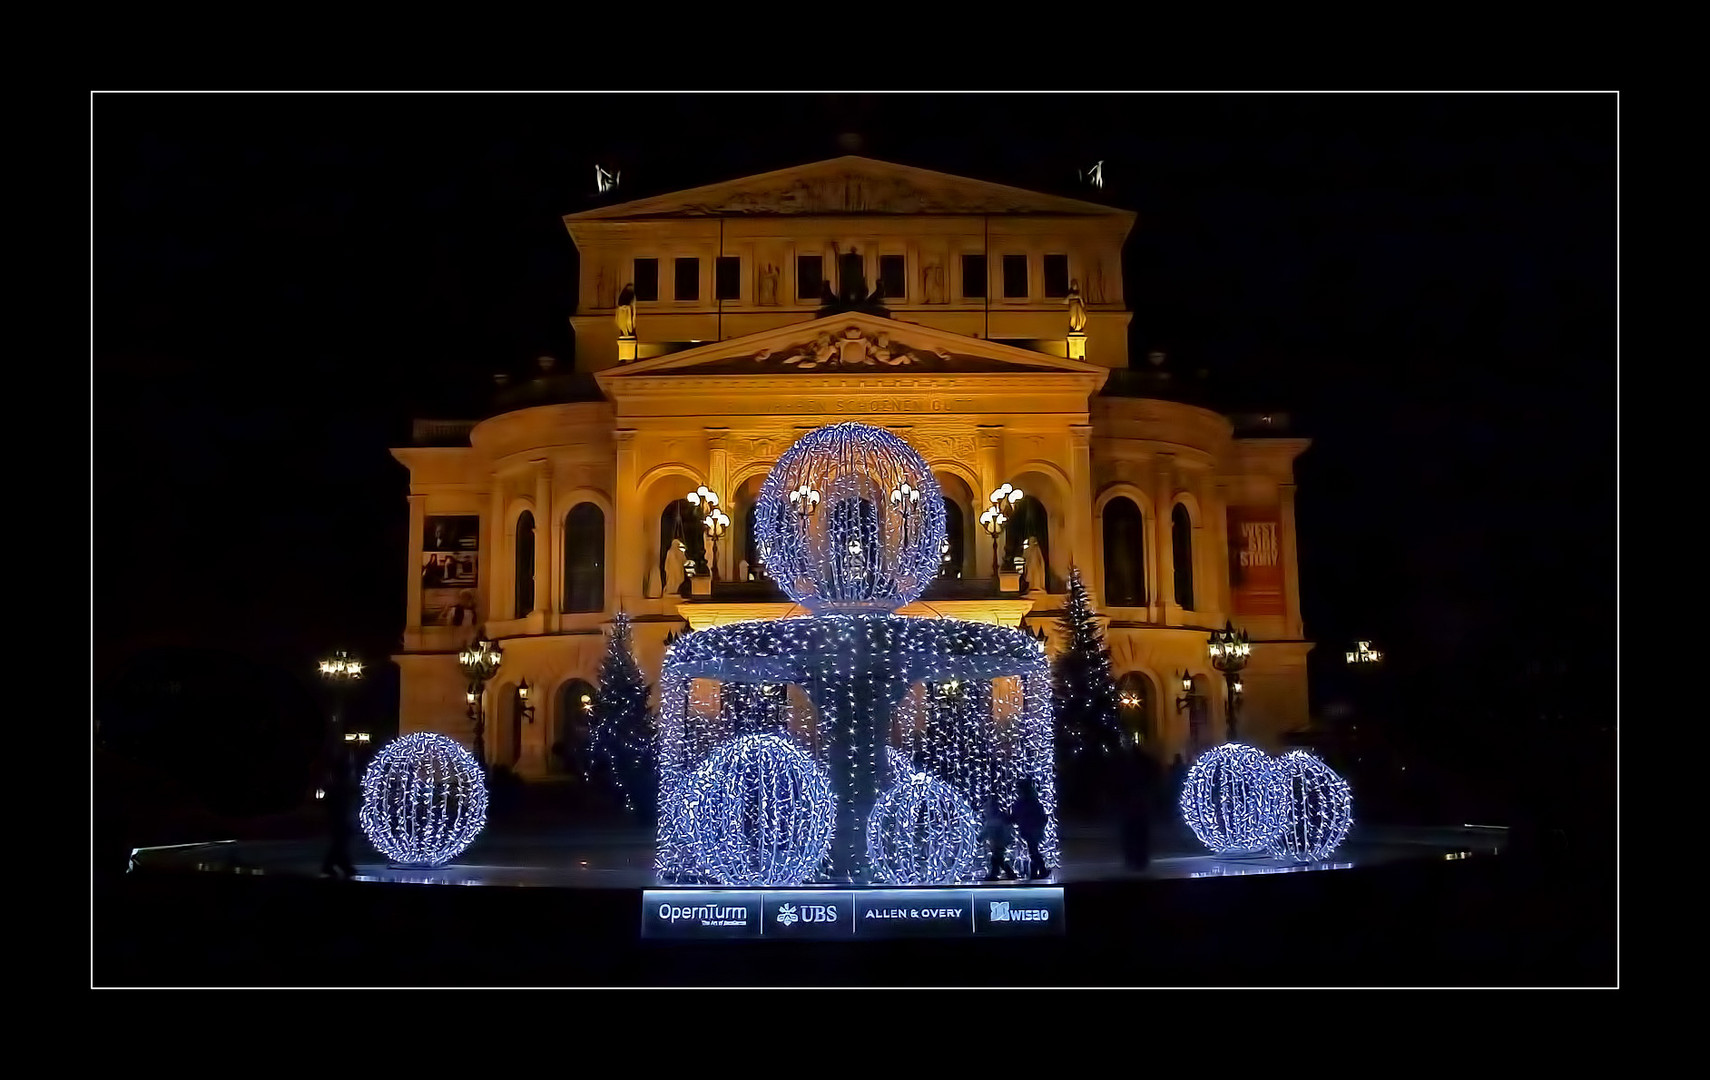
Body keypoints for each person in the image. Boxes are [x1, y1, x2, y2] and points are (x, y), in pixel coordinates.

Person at [1121, 745, 1159, 869]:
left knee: (1130, 831)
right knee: (1141, 832)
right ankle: (1141, 859)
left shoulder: (1126, 763)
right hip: (1141, 800)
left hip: (1129, 801)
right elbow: (1153, 778)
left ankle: (1131, 858)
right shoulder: (1146, 762)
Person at [320, 754, 356, 880]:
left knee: (340, 842)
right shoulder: (339, 786)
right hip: (338, 819)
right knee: (339, 842)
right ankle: (336, 865)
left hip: (338, 818)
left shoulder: (337, 786)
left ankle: (340, 865)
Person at [1010, 778, 1050, 881]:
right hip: (1032, 830)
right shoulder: (1033, 802)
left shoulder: (1024, 803)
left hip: (1030, 830)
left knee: (1033, 851)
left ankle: (1041, 870)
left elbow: (1016, 816)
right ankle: (1036, 872)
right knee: (1033, 850)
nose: (1017, 791)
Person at [980, 794, 1011, 881]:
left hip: (998, 843)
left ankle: (997, 874)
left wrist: (981, 837)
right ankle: (1002, 873)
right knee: (998, 859)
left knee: (996, 859)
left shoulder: (994, 820)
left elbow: (988, 831)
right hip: (999, 842)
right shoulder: (998, 818)